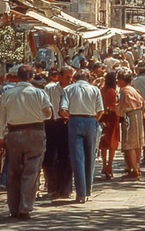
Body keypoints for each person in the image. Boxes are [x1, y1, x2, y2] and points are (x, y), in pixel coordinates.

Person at [0, 65, 53, 220]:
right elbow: (48, 113)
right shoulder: (39, 93)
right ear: (31, 77)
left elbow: (1, 118)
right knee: (32, 170)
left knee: (14, 171)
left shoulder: (7, 94)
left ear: (17, 77)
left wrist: (1, 137)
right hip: (35, 133)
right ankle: (25, 207)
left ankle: (14, 207)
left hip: (14, 134)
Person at [60, 70, 104, 203]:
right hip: (91, 120)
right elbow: (101, 110)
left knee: (77, 157)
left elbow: (63, 110)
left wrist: (69, 117)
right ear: (88, 78)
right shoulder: (95, 89)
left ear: (74, 78)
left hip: (75, 121)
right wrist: (94, 120)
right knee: (90, 156)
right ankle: (88, 189)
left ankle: (81, 193)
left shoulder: (68, 89)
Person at [43, 66, 74, 198]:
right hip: (52, 123)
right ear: (60, 77)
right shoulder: (50, 89)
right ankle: (52, 187)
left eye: (71, 77)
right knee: (50, 157)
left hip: (66, 124)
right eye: (67, 77)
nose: (70, 80)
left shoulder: (73, 89)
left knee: (66, 157)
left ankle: (65, 188)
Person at [116, 68, 145, 180]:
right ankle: (136, 167)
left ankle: (134, 170)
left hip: (130, 116)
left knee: (129, 144)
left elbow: (122, 107)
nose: (117, 82)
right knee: (137, 143)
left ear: (122, 80)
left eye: (118, 79)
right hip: (138, 115)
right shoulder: (133, 89)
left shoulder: (125, 90)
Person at [98, 71, 121, 180]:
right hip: (112, 118)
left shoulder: (101, 90)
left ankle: (104, 165)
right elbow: (113, 106)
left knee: (103, 143)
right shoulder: (112, 92)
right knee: (112, 142)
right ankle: (109, 166)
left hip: (102, 118)